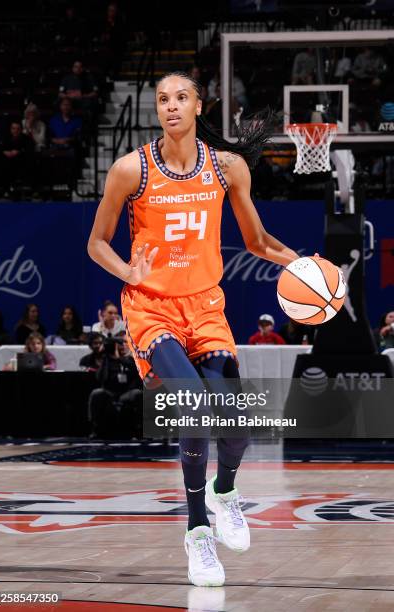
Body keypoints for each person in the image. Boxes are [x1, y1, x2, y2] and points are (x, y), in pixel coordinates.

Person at [87, 71, 302, 587]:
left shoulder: (226, 168)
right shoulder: (128, 170)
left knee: (238, 423)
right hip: (151, 307)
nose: (172, 106)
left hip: (206, 307)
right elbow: (97, 242)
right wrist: (127, 272)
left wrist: (304, 265)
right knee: (193, 405)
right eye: (162, 99)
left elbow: (258, 240)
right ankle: (198, 530)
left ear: (198, 105)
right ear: (156, 109)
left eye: (181, 97)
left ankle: (224, 492)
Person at [87, 333, 142, 439]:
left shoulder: (131, 360)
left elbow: (136, 377)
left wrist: (119, 358)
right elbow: (100, 378)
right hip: (110, 392)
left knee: (137, 394)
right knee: (96, 393)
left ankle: (139, 429)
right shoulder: (108, 360)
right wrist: (108, 358)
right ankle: (94, 428)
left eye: (124, 343)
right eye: (119, 344)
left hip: (127, 392)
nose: (122, 346)